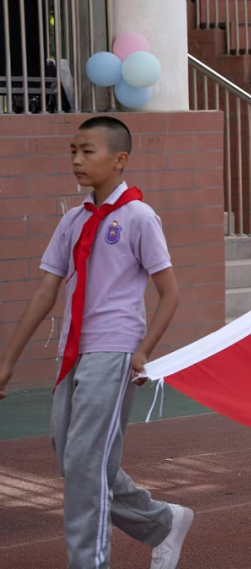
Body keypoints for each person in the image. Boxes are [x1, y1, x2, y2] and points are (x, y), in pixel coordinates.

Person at [0, 116, 192, 569]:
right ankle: (161, 521)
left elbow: (171, 292)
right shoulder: (73, 220)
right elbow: (47, 291)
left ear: (119, 160)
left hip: (115, 350)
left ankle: (89, 563)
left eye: (88, 151)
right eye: (73, 151)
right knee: (76, 460)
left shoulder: (139, 217)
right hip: (75, 352)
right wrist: (8, 359)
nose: (76, 160)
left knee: (86, 466)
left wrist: (144, 349)